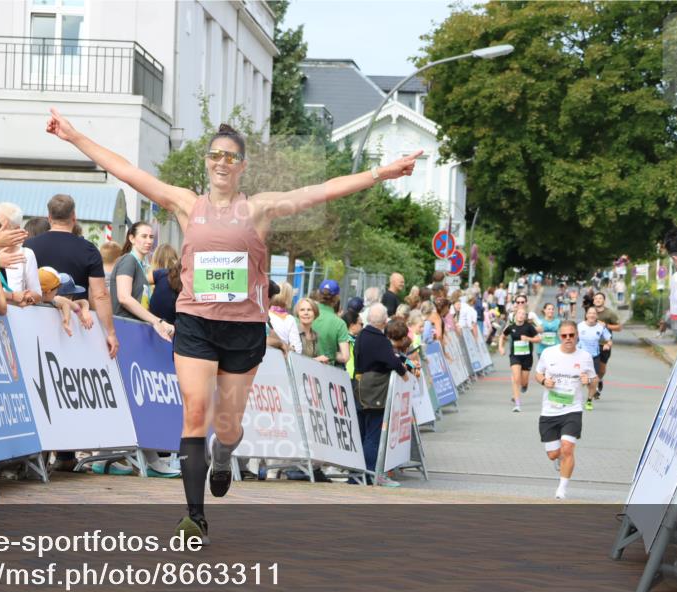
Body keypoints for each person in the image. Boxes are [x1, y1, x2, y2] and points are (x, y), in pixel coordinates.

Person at [46, 110, 421, 541]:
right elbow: (128, 171)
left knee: (227, 426)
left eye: (231, 157)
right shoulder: (188, 204)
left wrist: (381, 172)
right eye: (215, 155)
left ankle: (223, 455)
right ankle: (194, 517)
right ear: (207, 162)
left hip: (243, 330)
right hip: (195, 324)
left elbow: (320, 191)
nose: (222, 163)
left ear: (242, 166)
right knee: (194, 413)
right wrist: (74, 135)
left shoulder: (258, 208)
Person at [25, 194, 118, 356]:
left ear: (49, 217)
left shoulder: (28, 245)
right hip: (77, 331)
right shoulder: (89, 250)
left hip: (33, 325)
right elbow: (100, 295)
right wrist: (110, 333)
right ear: (74, 217)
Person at [534, 320, 597, 500]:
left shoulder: (585, 357)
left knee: (567, 448)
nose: (568, 338)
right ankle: (559, 460)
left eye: (571, 335)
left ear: (577, 335)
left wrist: (588, 382)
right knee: (553, 454)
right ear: (559, 336)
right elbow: (538, 373)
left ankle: (562, 489)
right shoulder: (548, 353)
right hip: (550, 410)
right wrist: (544, 381)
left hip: (572, 409)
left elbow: (594, 381)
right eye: (564, 335)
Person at [354, 304, 410, 487]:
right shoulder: (380, 340)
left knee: (361, 433)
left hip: (360, 387)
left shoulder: (362, 335)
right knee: (373, 435)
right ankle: (372, 474)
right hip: (375, 391)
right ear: (385, 320)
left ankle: (357, 474)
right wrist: (404, 373)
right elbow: (392, 361)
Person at [110, 221, 174, 340]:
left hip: (134, 328)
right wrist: (157, 321)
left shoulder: (140, 265)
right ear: (132, 238)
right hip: (124, 328)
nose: (149, 241)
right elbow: (124, 298)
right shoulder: (129, 260)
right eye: (144, 236)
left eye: (151, 237)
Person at [499, 308, 541, 413]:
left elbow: (538, 339)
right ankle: (517, 404)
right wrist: (501, 347)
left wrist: (528, 339)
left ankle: (525, 385)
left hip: (527, 357)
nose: (521, 315)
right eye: (519, 313)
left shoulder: (529, 327)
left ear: (525, 316)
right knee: (516, 378)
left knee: (523, 381)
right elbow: (502, 336)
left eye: (523, 314)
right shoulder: (511, 327)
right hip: (515, 356)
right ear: (515, 315)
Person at [577, 306, 612, 410]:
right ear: (586, 315)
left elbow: (609, 339)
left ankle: (589, 401)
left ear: (596, 316)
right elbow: (573, 338)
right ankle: (573, 400)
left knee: (593, 380)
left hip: (594, 357)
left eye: (594, 313)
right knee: (578, 379)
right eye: (590, 313)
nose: (592, 315)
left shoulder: (600, 327)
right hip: (581, 356)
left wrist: (607, 345)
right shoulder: (580, 326)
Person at [311, 280, 351, 368]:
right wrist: (330, 353)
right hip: (326, 369)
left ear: (318, 294)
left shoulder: (305, 314)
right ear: (337, 298)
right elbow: (345, 357)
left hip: (303, 365)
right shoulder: (339, 323)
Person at [591, 291, 622, 400]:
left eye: (600, 298)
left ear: (604, 301)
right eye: (596, 298)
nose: (598, 300)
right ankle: (594, 389)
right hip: (592, 344)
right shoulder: (591, 312)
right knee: (592, 368)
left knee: (602, 369)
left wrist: (606, 325)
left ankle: (599, 380)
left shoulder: (610, 313)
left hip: (604, 344)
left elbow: (619, 327)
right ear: (593, 301)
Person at [148, 243, 181, 325]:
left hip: (155, 326)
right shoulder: (180, 279)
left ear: (156, 260)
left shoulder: (160, 274)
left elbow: (141, 279)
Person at [269, 282, 302, 354]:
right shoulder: (290, 320)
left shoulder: (264, 315)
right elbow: (297, 348)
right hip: (282, 357)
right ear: (289, 298)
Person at [295, 297, 324, 361]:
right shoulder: (293, 333)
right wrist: (316, 360)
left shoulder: (316, 336)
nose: (306, 313)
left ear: (315, 313)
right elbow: (293, 360)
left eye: (309, 310)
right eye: (302, 310)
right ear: (298, 313)